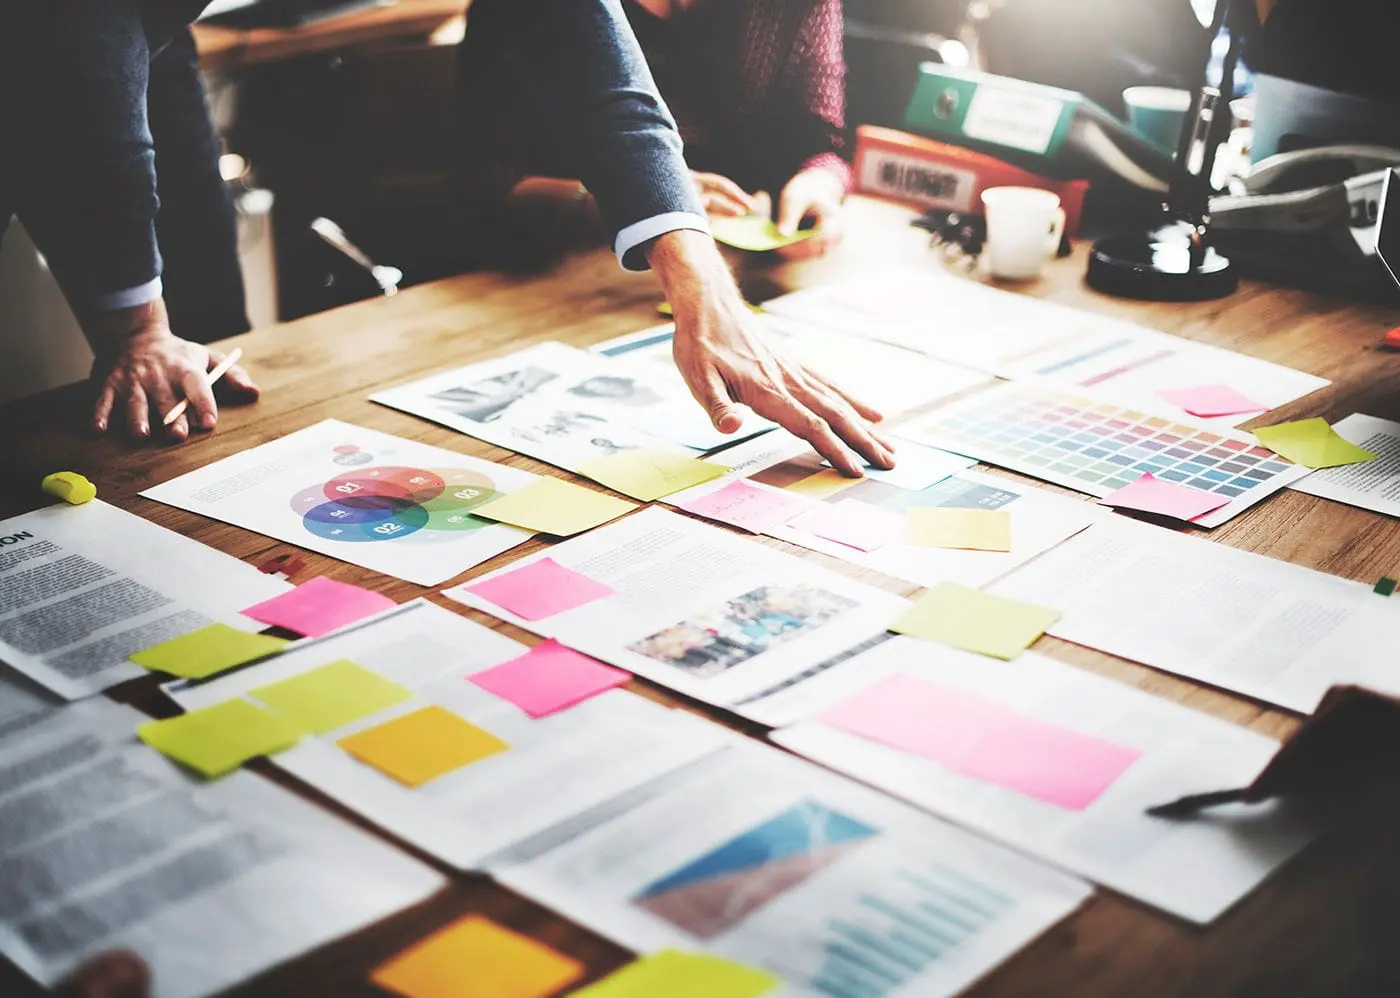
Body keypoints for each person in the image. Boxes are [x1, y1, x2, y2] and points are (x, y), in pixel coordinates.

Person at [457, 0, 891, 475]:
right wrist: (678, 230)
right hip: (536, 293)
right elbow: (621, 115)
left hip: (722, 277)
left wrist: (819, 186)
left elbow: (821, 141)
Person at [0, 2, 258, 444]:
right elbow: (85, 56)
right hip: (62, 26)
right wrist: (139, 331)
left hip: (141, 35)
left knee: (210, 326)